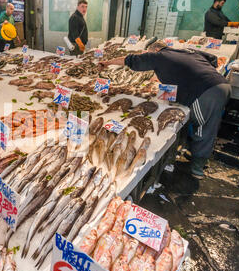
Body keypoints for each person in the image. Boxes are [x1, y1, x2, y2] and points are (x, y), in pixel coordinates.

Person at [99, 40, 231, 179]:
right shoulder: (185, 51)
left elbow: (130, 60)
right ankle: (195, 153)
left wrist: (107, 63)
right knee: (207, 123)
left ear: (154, 51)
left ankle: (197, 168)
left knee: (204, 128)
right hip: (222, 85)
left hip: (206, 93)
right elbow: (213, 59)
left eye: (149, 54)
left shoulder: (159, 56)